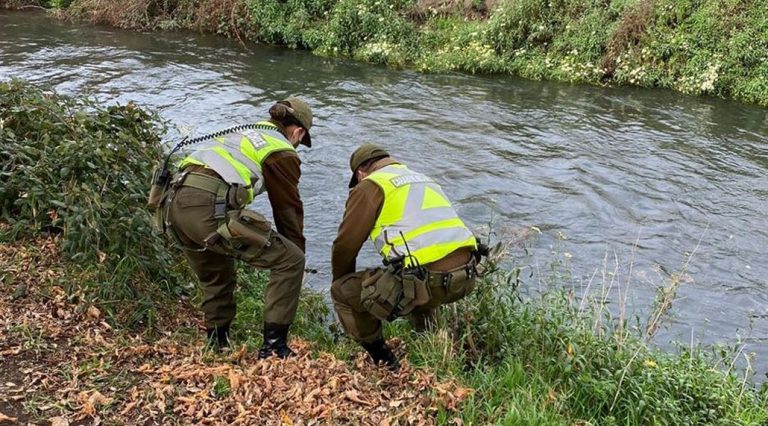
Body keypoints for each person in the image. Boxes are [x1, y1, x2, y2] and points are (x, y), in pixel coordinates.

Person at [158, 97, 313, 358]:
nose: (298, 145)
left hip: (173, 206)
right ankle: (274, 348)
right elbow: (288, 210)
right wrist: (295, 250)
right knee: (291, 260)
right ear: (297, 132)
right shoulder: (281, 150)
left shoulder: (244, 130)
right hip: (208, 208)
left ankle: (216, 344)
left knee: (216, 273)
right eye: (301, 140)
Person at [331, 144, 481, 370]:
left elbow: (345, 246)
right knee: (416, 274)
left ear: (360, 172)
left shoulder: (370, 186)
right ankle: (434, 352)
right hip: (466, 276)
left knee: (342, 292)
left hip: (430, 280)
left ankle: (382, 358)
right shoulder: (423, 179)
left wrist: (341, 280)